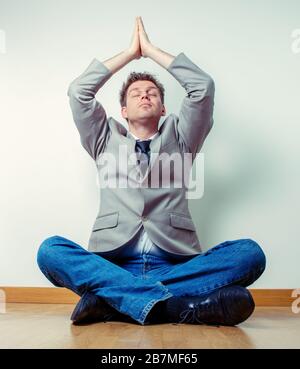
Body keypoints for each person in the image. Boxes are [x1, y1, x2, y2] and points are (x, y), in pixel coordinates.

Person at [37, 16, 266, 326]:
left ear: (162, 109)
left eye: (152, 93)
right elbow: (79, 92)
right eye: (135, 93)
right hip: (112, 264)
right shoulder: (103, 138)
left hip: (173, 264)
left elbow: (202, 87)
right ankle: (177, 308)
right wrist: (130, 53)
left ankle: (112, 302)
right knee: (50, 250)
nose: (144, 95)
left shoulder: (182, 137)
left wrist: (152, 51)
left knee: (250, 254)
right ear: (123, 111)